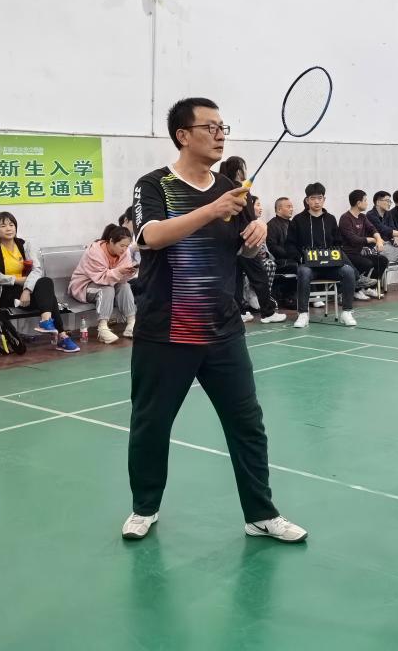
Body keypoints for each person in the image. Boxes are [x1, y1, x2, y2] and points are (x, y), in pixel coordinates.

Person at [123, 96, 306, 543]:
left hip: (223, 330)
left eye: (224, 127)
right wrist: (210, 209)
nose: (221, 134)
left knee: (247, 424)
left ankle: (260, 514)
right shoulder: (154, 185)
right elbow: (151, 237)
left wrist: (253, 239)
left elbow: (240, 253)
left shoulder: (230, 189)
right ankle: (145, 507)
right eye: (210, 127)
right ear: (183, 135)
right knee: (151, 424)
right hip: (165, 331)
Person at [0, 212, 79, 353]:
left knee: (45, 282)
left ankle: (46, 321)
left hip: (25, 291)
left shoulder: (25, 245)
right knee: (50, 298)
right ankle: (61, 336)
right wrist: (15, 280)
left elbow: (37, 269)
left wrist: (27, 290)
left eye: (11, 225)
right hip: (4, 291)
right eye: (3, 226)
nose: (9, 228)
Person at [219, 157, 287, 324]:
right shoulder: (242, 190)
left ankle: (240, 312)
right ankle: (268, 313)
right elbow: (250, 217)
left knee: (236, 278)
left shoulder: (223, 190)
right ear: (239, 171)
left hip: (229, 243)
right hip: (246, 241)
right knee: (260, 277)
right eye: (244, 168)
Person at [285, 182, 358, 329]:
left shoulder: (331, 219)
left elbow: (338, 242)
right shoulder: (298, 220)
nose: (316, 202)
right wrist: (300, 257)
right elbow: (290, 245)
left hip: (331, 267)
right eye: (313, 198)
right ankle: (303, 314)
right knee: (303, 272)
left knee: (348, 271)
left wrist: (335, 253)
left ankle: (347, 312)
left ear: (324, 199)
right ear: (307, 200)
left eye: (319, 198)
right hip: (310, 267)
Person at [68, 224, 137, 344]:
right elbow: (100, 278)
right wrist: (119, 271)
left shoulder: (124, 253)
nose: (124, 249)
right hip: (84, 286)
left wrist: (129, 272)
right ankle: (102, 328)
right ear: (111, 241)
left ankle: (131, 323)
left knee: (125, 286)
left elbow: (121, 280)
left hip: (108, 284)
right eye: (121, 246)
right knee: (107, 289)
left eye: (127, 246)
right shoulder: (94, 252)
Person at [338, 190, 387, 300]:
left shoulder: (362, 217)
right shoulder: (345, 218)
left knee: (382, 260)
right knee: (366, 263)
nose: (367, 203)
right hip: (347, 254)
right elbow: (354, 240)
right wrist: (372, 240)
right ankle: (356, 290)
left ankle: (369, 288)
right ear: (358, 203)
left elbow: (373, 229)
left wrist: (379, 240)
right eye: (365, 200)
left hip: (358, 253)